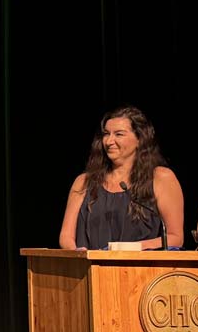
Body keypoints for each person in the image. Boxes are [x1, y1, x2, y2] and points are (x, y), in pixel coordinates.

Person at [58, 105, 184, 250]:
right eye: (106, 134)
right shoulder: (84, 182)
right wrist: (77, 253)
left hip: (141, 271)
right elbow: (66, 236)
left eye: (119, 134)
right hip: (90, 268)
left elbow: (175, 238)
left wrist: (126, 248)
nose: (109, 141)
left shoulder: (161, 178)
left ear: (139, 139)